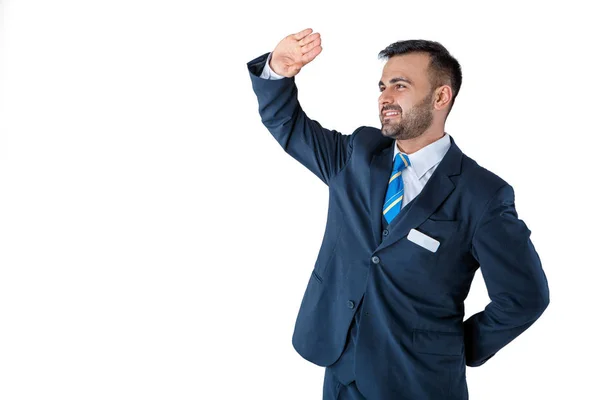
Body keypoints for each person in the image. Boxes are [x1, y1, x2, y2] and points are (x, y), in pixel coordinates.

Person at [246, 28, 550, 400]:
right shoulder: (358, 153)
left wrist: (453, 346)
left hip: (418, 383)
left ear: (441, 96)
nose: (385, 98)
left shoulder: (483, 195)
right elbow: (288, 126)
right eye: (382, 86)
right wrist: (278, 69)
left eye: (400, 86)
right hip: (341, 371)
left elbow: (524, 298)